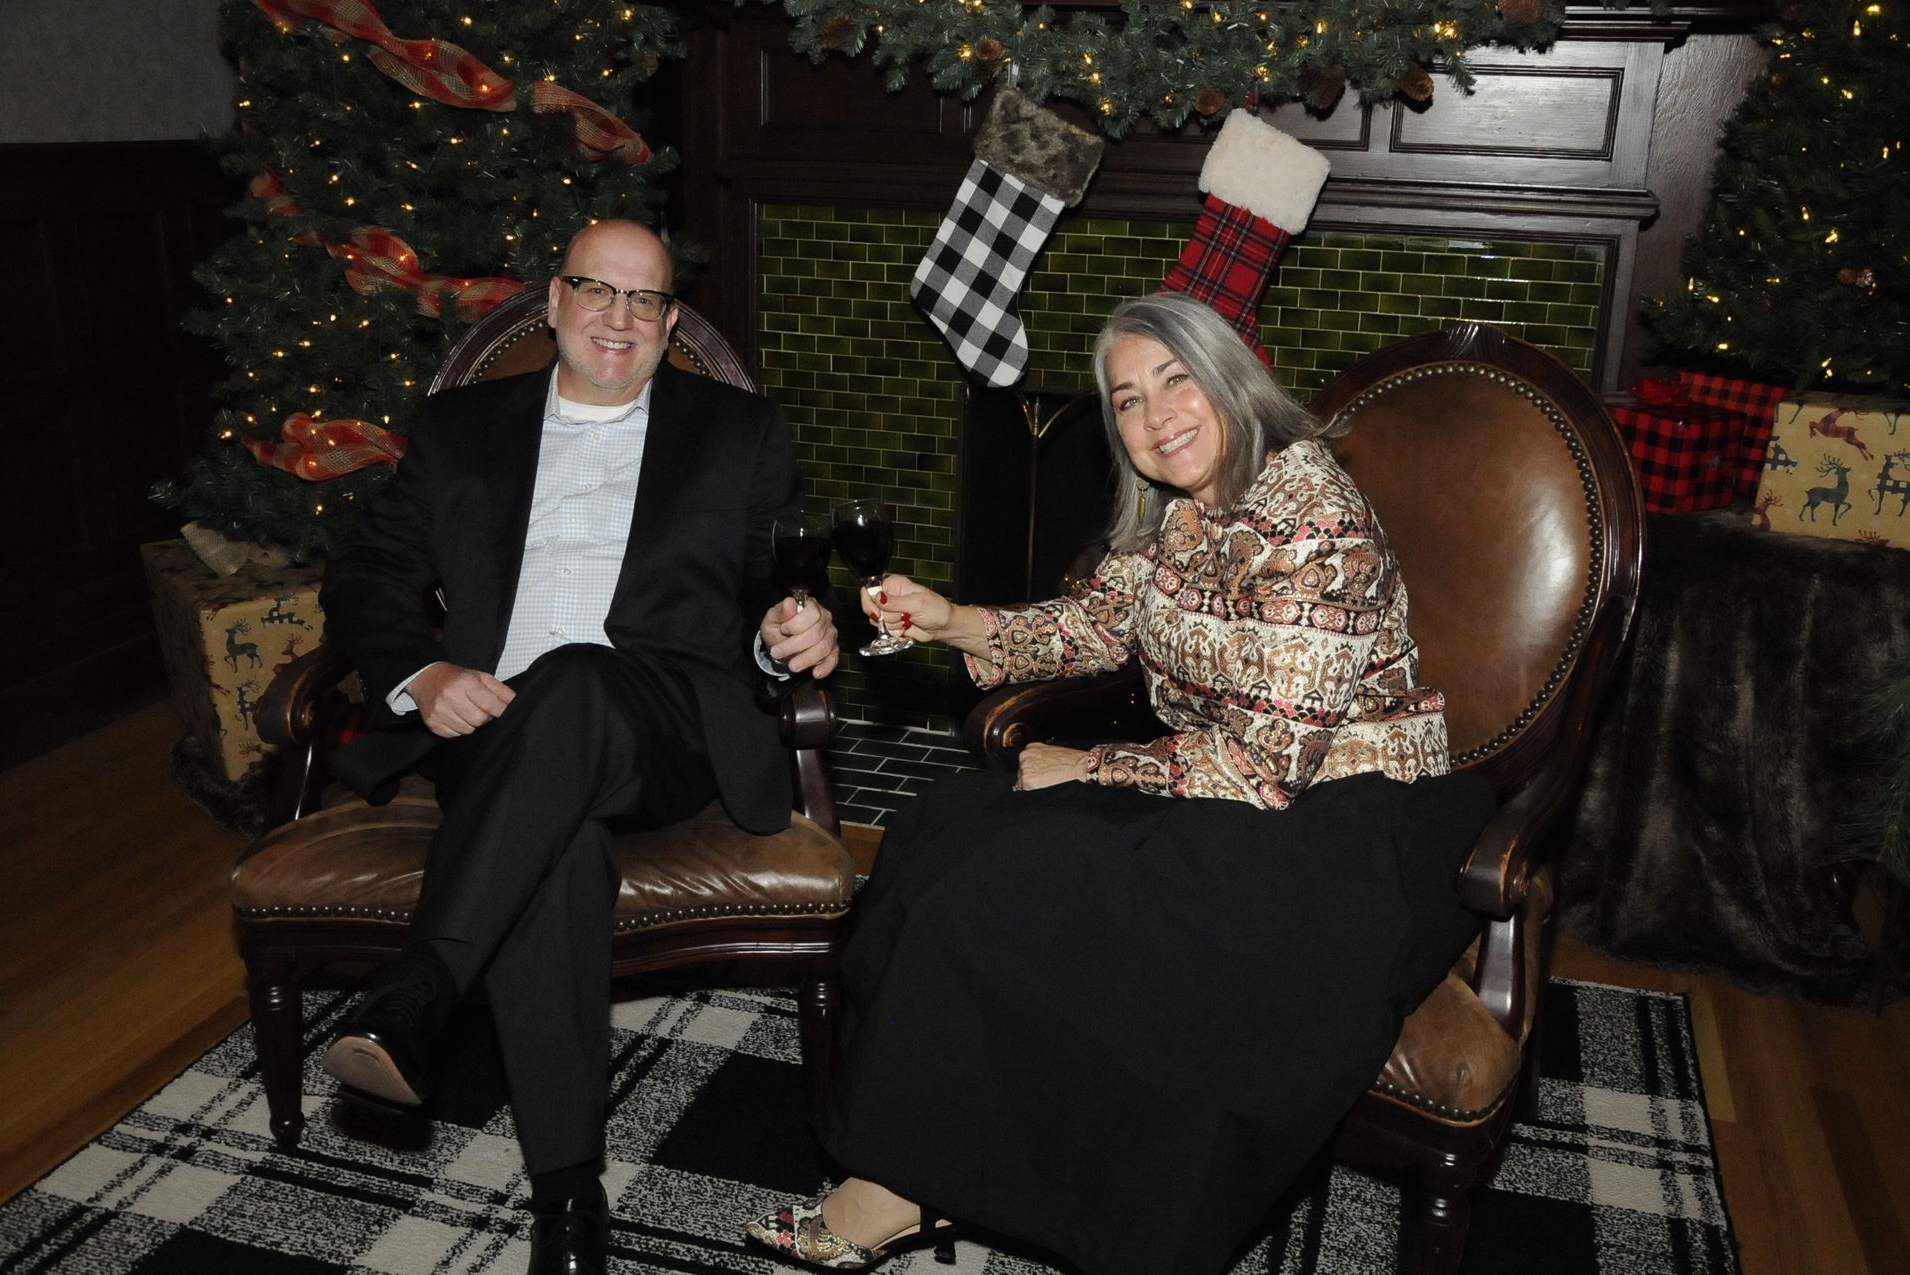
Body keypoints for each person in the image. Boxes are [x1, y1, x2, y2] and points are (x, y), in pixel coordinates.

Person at [744, 293, 1495, 1274]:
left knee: (1049, 896)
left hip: (1349, 819)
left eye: (1176, 381)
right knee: (947, 834)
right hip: (1220, 782)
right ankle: (925, 1171)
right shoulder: (1187, 512)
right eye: (1128, 399)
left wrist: (1097, 764)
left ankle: (986, 1199)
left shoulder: (1313, 522)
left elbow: (1270, 765)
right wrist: (950, 620)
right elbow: (1093, 627)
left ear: (1230, 379)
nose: (1156, 416)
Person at [316, 219, 839, 1275]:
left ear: (671, 323)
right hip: (489, 730)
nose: (619, 317)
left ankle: (421, 989)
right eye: (598, 291)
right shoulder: (462, 428)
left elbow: (782, 590)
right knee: (553, 844)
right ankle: (568, 1199)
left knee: (578, 675)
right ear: (551, 303)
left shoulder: (737, 432)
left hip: (665, 727)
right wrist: (425, 677)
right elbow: (366, 578)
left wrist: (798, 635)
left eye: (644, 301)